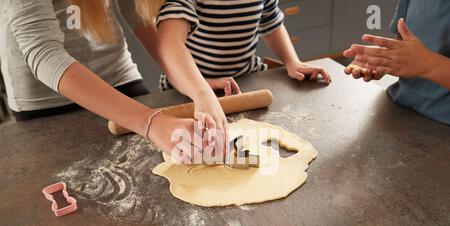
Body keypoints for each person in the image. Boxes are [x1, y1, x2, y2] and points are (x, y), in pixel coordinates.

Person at [0, 0, 223, 163]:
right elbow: (44, 54)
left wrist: (196, 86)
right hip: (45, 99)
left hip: (117, 75)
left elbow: (136, 11)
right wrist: (151, 122)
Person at [155, 0, 332, 135]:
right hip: (188, 90)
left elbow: (271, 23)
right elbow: (170, 42)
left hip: (243, 81)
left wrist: (292, 61)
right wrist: (201, 91)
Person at [343, 0, 450, 125]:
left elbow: (420, 60)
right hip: (401, 105)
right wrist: (385, 60)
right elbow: (403, 37)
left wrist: (428, 65)